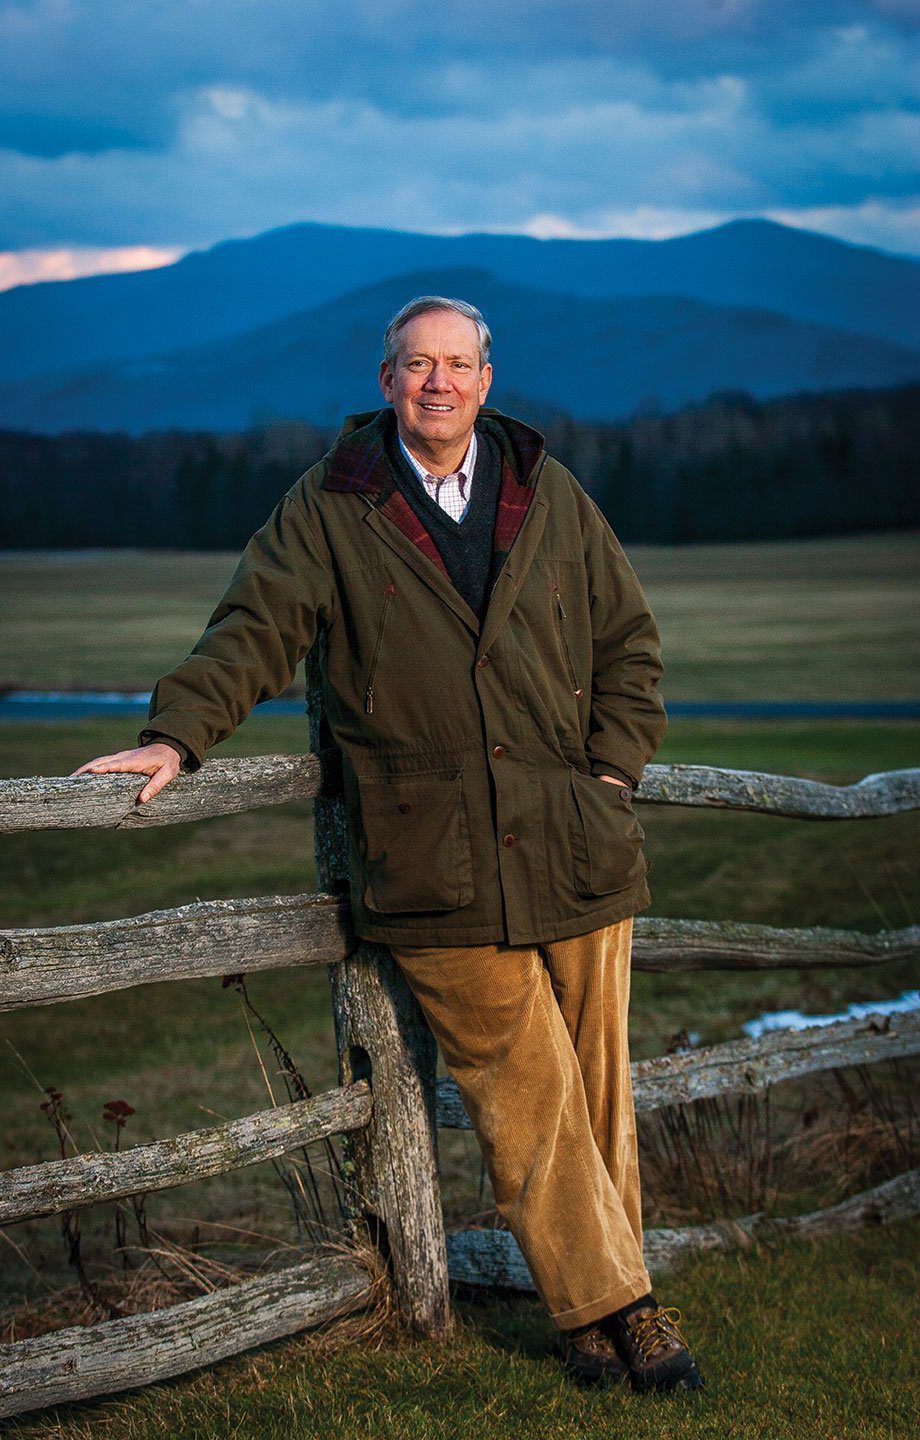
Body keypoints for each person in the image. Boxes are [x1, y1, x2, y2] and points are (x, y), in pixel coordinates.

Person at [72, 295, 703, 1395]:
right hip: (432, 861)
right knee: (530, 1089)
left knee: (597, 1086)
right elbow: (256, 627)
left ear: (488, 381)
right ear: (386, 381)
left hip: (574, 841)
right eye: (418, 366)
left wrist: (610, 773)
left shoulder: (544, 490)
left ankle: (596, 1321)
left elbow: (629, 644)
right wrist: (177, 732)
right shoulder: (333, 504)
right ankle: (627, 1309)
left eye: (458, 365)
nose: (439, 384)